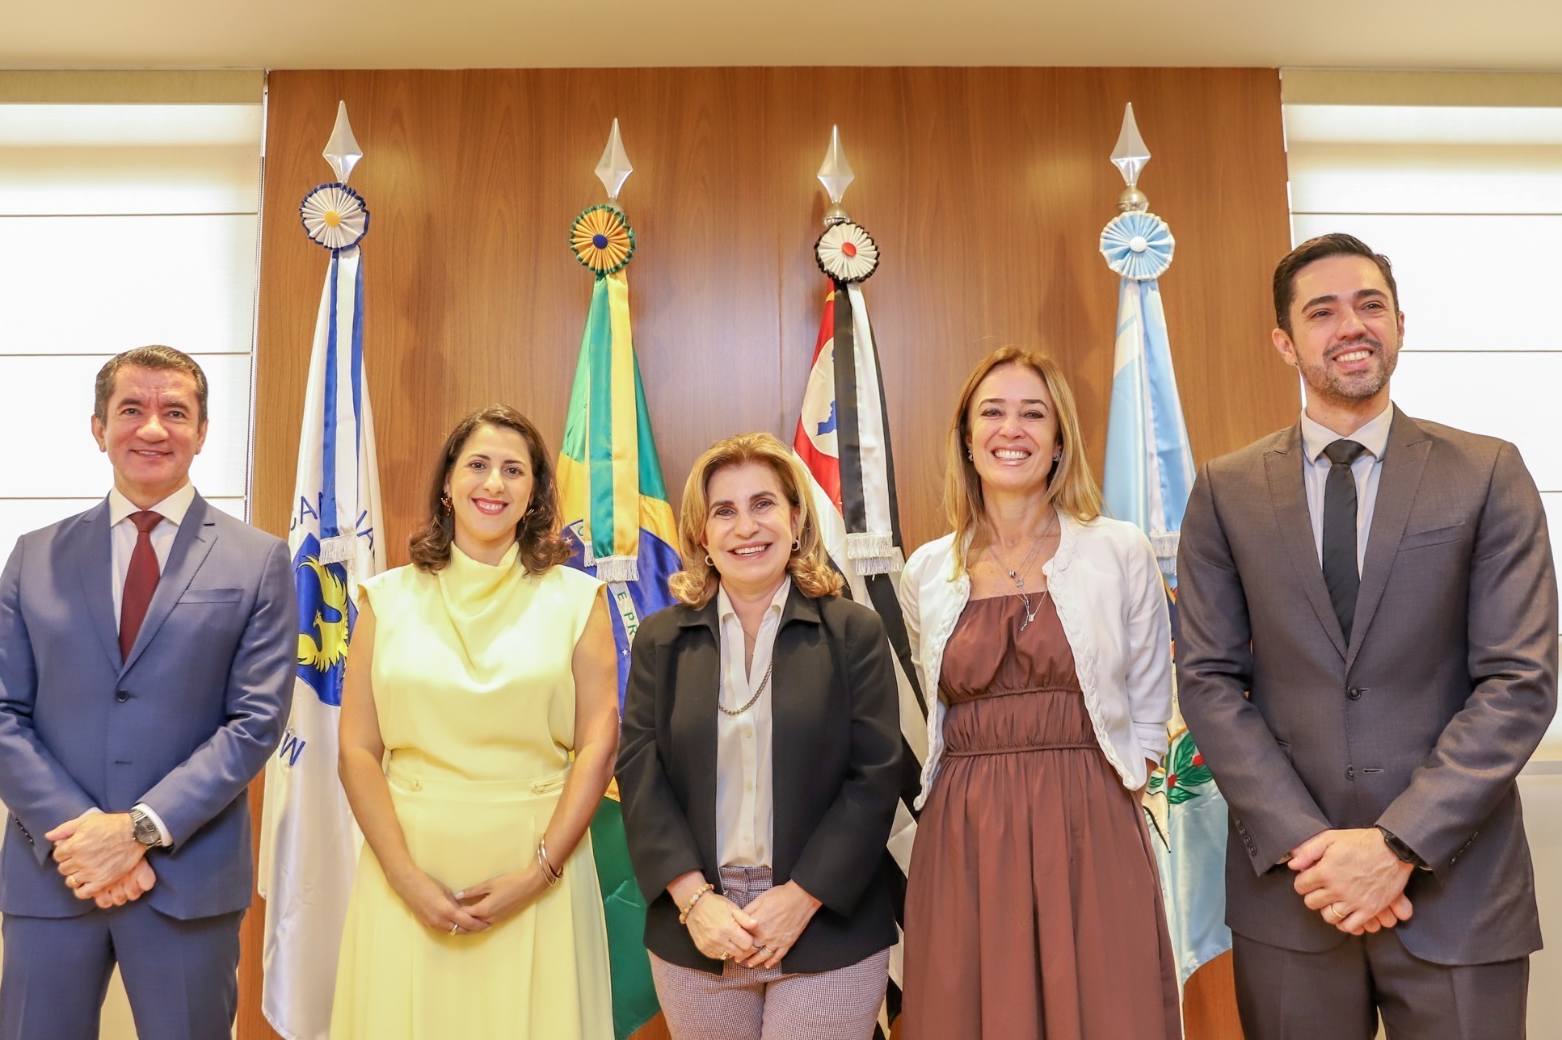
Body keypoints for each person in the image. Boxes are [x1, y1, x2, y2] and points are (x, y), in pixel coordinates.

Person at [1176, 233, 1558, 1039]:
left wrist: (1396, 846)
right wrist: (1314, 849)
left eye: (1370, 305)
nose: (1351, 325)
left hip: (1459, 893)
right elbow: (1208, 679)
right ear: (1285, 342)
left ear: (1400, 325)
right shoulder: (1225, 490)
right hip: (1294, 894)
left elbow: (1520, 679)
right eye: (1322, 312)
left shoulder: (1487, 472)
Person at [0, 345, 297, 1040]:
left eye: (174, 412)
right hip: (54, 873)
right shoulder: (33, 555)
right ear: (99, 428)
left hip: (187, 879)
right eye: (131, 410)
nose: (152, 428)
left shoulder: (258, 559)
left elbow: (255, 721)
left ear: (201, 432)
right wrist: (84, 838)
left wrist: (137, 830)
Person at [898, 346, 1182, 1039]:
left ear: (1059, 440)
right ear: (967, 439)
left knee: (1109, 1010)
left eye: (1033, 414)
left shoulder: (1120, 550)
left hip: (1091, 821)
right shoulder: (926, 570)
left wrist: (1105, 802)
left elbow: (1153, 706)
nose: (1011, 429)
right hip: (966, 829)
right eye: (992, 413)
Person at [329, 405, 618, 1039]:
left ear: (535, 493)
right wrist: (404, 878)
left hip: (539, 865)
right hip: (407, 869)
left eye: (514, 470)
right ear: (447, 483)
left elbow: (599, 744)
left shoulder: (578, 599)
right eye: (478, 465)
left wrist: (539, 873)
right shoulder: (385, 599)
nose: (494, 483)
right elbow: (356, 750)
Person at [616, 431, 902, 1040]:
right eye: (724, 511)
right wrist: (694, 901)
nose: (745, 527)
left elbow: (875, 777)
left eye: (763, 504)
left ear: (796, 520)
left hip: (826, 920)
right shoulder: (661, 640)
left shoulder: (854, 632)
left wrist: (802, 897)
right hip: (700, 926)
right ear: (701, 534)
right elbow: (640, 775)